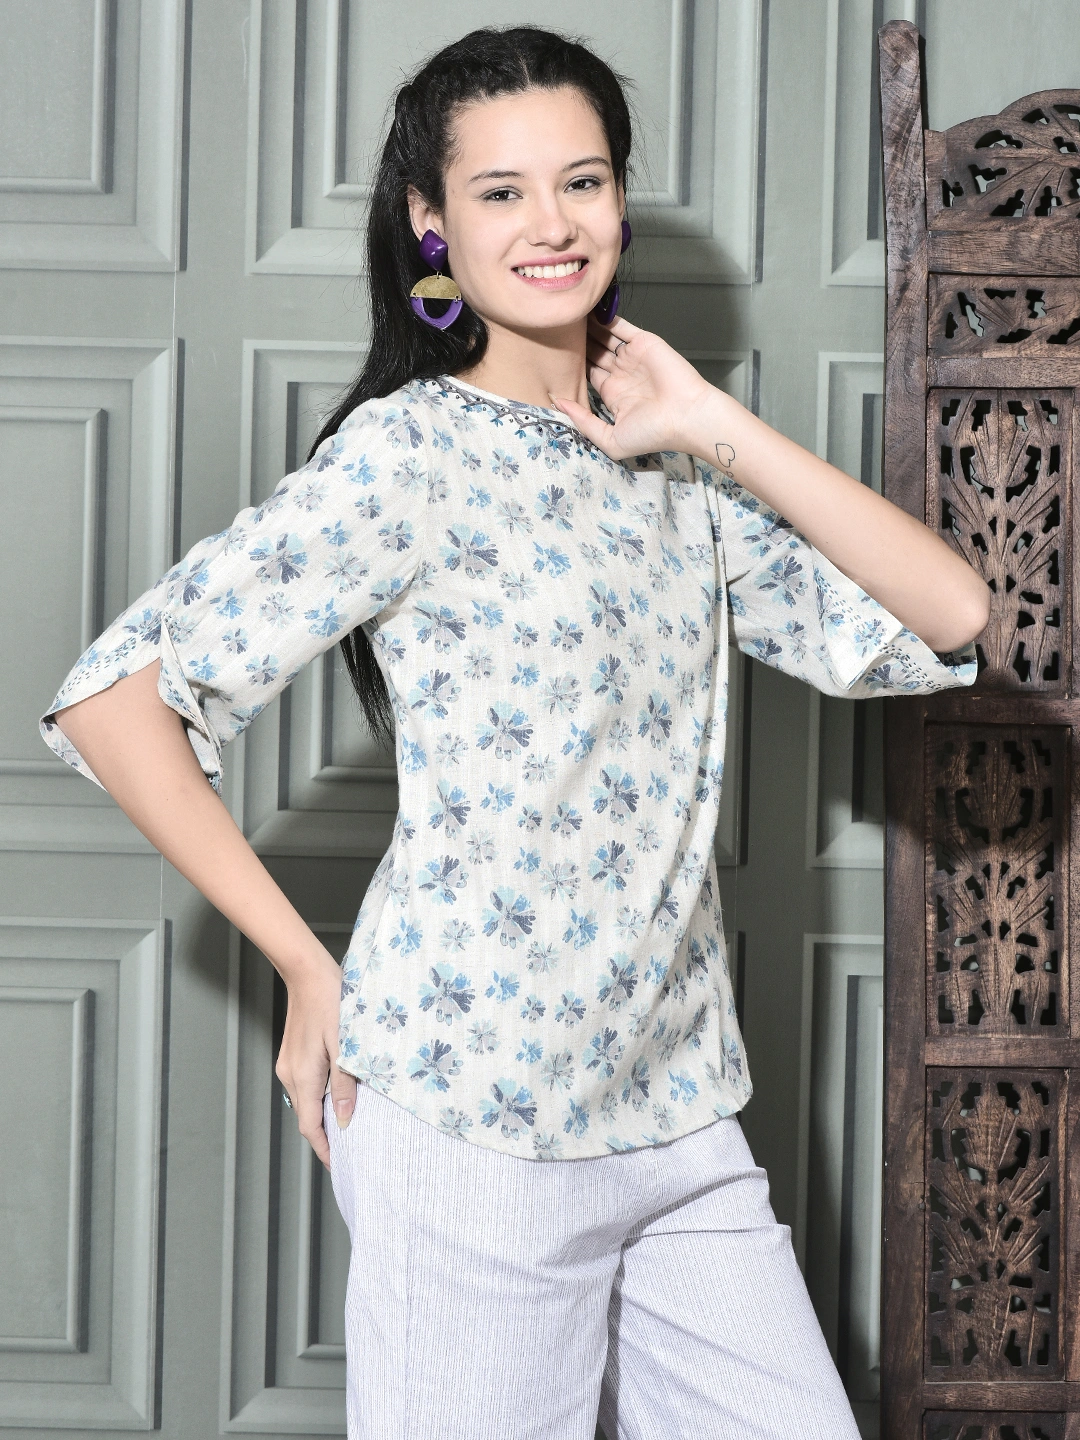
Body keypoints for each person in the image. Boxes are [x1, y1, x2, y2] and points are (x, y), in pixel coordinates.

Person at [41, 24, 990, 1440]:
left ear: (620, 199)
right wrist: (305, 964)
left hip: (677, 1104)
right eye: (500, 192)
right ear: (433, 224)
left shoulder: (671, 469)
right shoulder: (411, 454)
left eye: (582, 182)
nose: (551, 224)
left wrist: (708, 419)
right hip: (472, 1116)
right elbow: (114, 699)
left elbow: (951, 612)